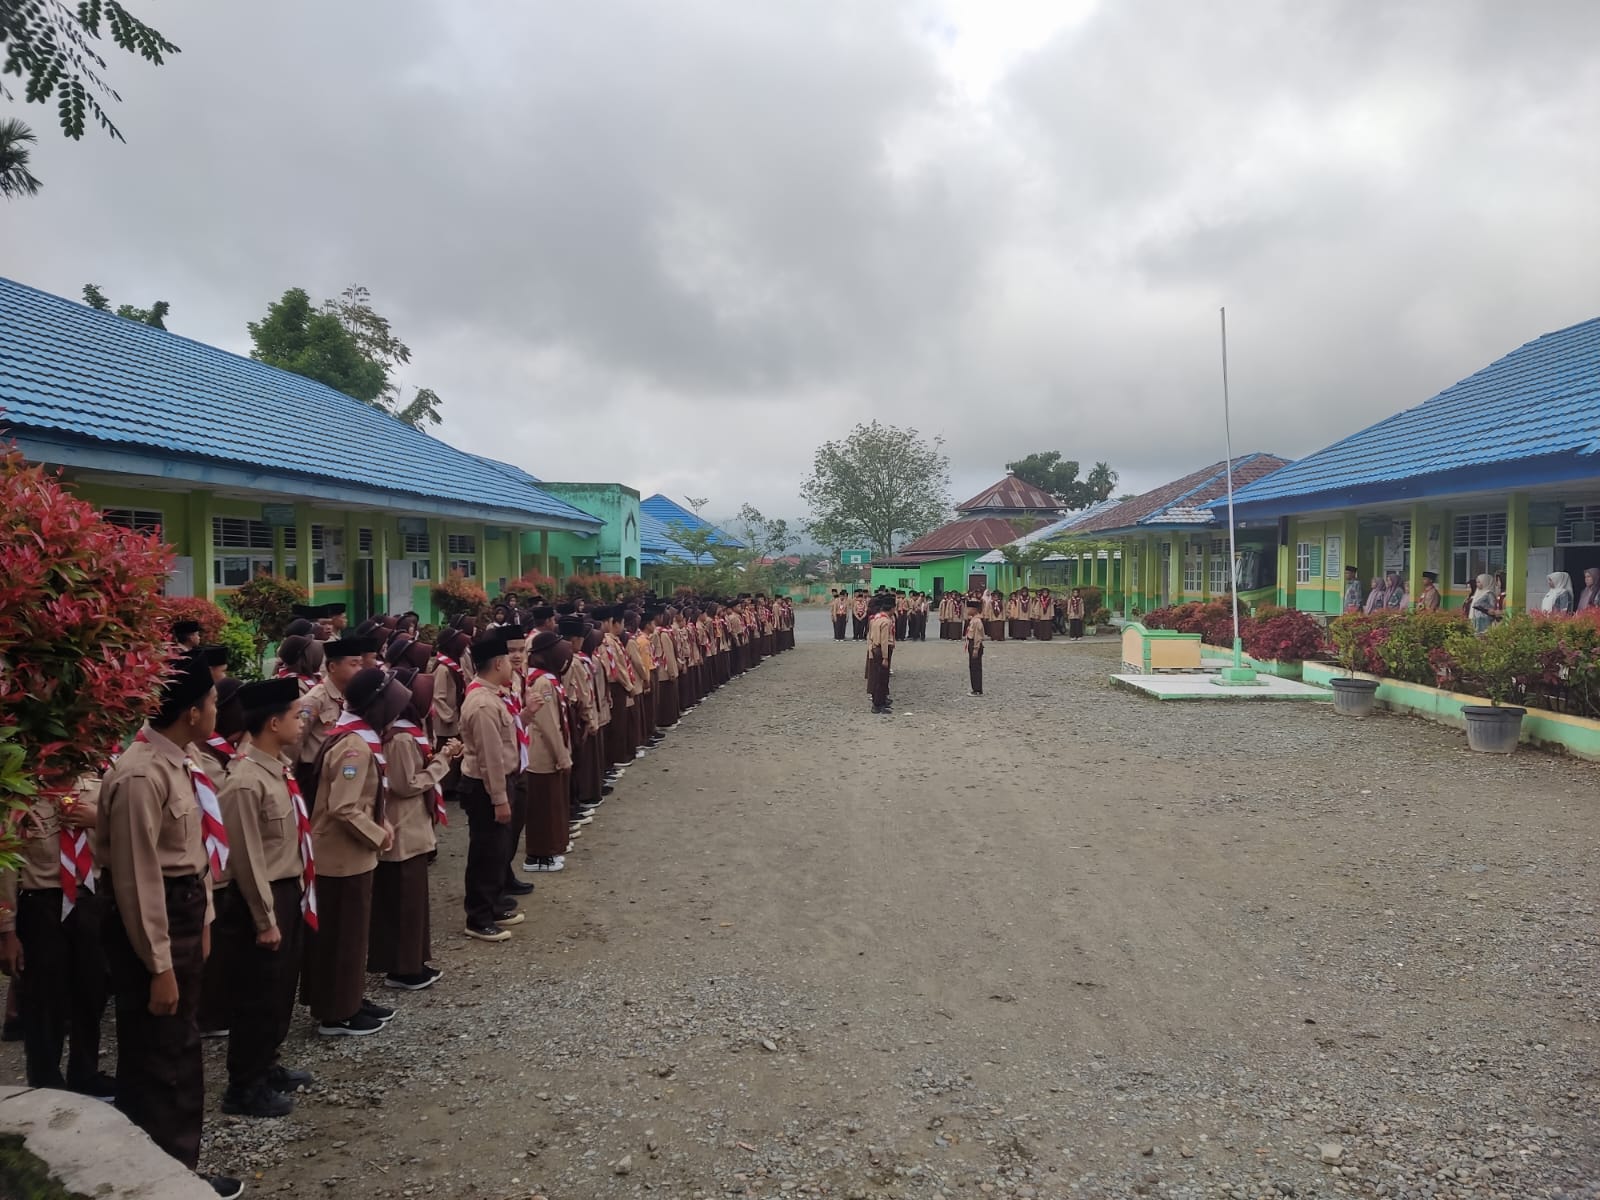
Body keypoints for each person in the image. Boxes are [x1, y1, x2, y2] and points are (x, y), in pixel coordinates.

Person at [96, 651, 244, 1198]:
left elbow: (194, 854)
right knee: (162, 1052)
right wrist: (159, 965)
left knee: (175, 1042)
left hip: (182, 911)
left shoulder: (180, 759)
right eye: (210, 701)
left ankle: (162, 1162)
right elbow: (137, 880)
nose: (216, 710)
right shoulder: (140, 774)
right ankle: (168, 1174)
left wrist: (203, 918)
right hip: (154, 921)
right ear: (189, 711)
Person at [214, 677, 316, 1119]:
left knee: (279, 991)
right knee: (256, 995)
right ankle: (244, 1086)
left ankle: (267, 1064)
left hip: (288, 890)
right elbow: (246, 858)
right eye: (297, 715)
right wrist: (264, 918)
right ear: (273, 722)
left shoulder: (278, 766)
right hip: (263, 896)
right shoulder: (242, 782)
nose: (303, 720)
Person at [0, 769, 112, 1099]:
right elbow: (6, 867)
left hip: (90, 896)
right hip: (42, 903)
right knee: (44, 997)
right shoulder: (19, 795)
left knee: (92, 990)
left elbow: (124, 835)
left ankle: (85, 1073)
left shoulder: (97, 787)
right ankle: (45, 1081)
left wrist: (97, 819)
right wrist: (7, 930)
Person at [304, 668, 400, 1038]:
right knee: (341, 936)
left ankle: (349, 998)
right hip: (341, 858)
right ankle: (336, 1012)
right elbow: (343, 807)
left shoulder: (355, 739)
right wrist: (378, 835)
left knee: (352, 934)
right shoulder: (353, 748)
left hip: (349, 855)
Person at [373, 673, 458, 990]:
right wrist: (442, 762)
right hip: (403, 828)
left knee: (413, 900)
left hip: (411, 827)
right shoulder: (400, 739)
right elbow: (405, 783)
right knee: (404, 901)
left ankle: (411, 961)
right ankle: (403, 968)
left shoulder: (408, 734)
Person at [459, 629, 520, 942]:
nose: (513, 665)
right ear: (497, 664)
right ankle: (478, 916)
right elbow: (490, 758)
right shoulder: (483, 704)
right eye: (508, 659)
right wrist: (499, 798)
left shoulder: (494, 697)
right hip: (485, 788)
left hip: (497, 783)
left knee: (497, 850)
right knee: (485, 851)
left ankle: (493, 903)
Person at [522, 631, 575, 874]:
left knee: (552, 803)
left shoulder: (548, 679)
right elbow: (547, 722)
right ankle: (538, 856)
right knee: (543, 807)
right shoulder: (543, 683)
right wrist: (562, 754)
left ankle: (552, 848)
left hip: (549, 752)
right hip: (543, 754)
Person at [294, 638, 371, 807]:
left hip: (343, 770)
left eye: (360, 664)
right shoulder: (314, 700)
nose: (359, 670)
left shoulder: (351, 697)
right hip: (315, 772)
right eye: (353, 664)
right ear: (332, 667)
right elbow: (296, 741)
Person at [866, 594, 893, 714]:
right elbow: (884, 641)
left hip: (875, 649)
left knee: (878, 677)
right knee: (881, 679)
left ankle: (879, 702)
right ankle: (878, 704)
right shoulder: (886, 621)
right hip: (881, 651)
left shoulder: (876, 618)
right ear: (892, 608)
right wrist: (886, 657)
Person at [963, 597, 986, 696]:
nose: (967, 610)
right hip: (971, 644)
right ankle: (975, 688)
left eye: (969, 608)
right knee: (972, 667)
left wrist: (975, 649)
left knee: (975, 668)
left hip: (975, 645)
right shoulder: (973, 620)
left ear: (974, 609)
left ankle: (977, 689)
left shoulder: (977, 621)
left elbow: (978, 636)